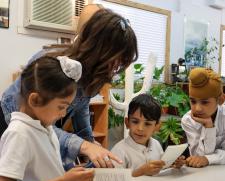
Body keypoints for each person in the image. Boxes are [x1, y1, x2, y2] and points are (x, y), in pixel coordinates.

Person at [0, 8, 138, 169]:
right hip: (8, 124)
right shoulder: (50, 65)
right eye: (116, 59)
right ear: (99, 49)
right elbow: (30, 123)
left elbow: (81, 108)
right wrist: (84, 146)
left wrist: (89, 144)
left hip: (44, 131)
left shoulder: (93, 73)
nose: (116, 67)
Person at [0, 56, 95, 181]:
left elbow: (44, 174)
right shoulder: (19, 133)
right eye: (61, 107)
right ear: (35, 100)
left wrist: (70, 176)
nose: (64, 114)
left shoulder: (45, 127)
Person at [111, 94, 185, 177]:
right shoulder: (119, 151)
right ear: (127, 123)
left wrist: (173, 164)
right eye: (135, 122)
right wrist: (141, 172)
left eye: (147, 124)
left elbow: (161, 168)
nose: (140, 128)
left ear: (157, 127)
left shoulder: (156, 144)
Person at [181, 67, 225, 168]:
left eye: (205, 102)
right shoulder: (188, 120)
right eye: (193, 101)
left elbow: (204, 158)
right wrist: (208, 126)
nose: (197, 108)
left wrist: (207, 159)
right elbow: (198, 157)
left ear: (220, 100)